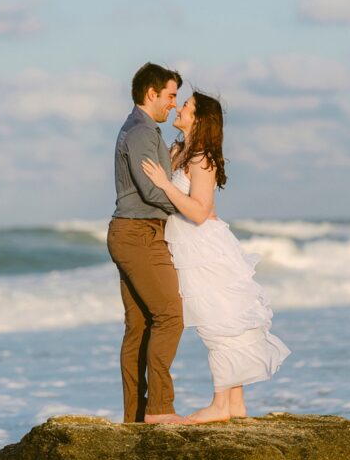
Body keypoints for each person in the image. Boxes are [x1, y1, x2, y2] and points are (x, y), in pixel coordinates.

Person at [141, 91, 290, 423]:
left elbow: (198, 211)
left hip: (204, 248)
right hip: (188, 247)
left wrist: (165, 185)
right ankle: (234, 406)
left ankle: (221, 405)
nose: (180, 108)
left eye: (187, 106)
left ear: (199, 119)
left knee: (219, 324)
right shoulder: (179, 150)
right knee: (222, 322)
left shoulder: (202, 158)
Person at [107, 62, 186, 424]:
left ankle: (135, 417)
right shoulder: (140, 131)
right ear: (151, 93)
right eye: (170, 95)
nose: (174, 103)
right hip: (139, 234)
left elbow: (156, 181)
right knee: (170, 316)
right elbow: (151, 190)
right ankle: (159, 409)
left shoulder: (144, 131)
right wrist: (191, 209)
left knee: (139, 327)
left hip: (136, 232)